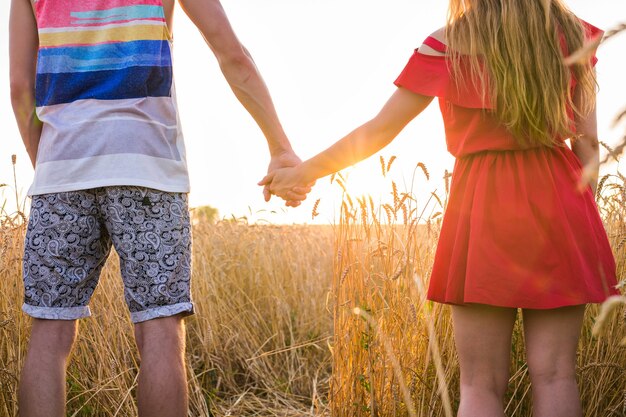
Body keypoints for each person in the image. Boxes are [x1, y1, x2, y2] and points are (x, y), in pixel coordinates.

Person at [261, 1, 619, 416]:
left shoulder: (450, 42)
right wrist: (580, 215)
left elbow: (380, 130)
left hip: (482, 206)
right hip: (560, 200)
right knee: (557, 374)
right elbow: (588, 144)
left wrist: (305, 172)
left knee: (480, 384)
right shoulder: (573, 34)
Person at [9, 0, 308, 415]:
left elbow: (21, 88)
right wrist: (280, 148)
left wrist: (52, 168)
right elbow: (232, 53)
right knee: (160, 329)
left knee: (49, 332)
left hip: (62, 170)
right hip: (148, 167)